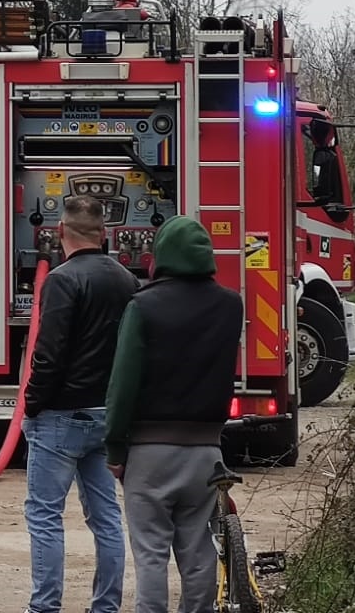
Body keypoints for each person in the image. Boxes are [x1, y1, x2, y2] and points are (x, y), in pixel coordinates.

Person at [104, 215, 244, 613]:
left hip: (150, 455)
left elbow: (123, 382)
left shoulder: (143, 306)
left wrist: (115, 449)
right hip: (206, 454)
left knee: (151, 555)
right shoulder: (230, 305)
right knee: (199, 553)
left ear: (160, 255)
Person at [20, 195, 139, 613]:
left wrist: (32, 405)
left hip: (60, 417)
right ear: (104, 235)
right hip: (107, 416)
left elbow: (49, 353)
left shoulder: (61, 280)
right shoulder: (127, 281)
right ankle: (105, 607)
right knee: (106, 517)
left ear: (59, 233)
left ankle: (45, 607)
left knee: (45, 516)